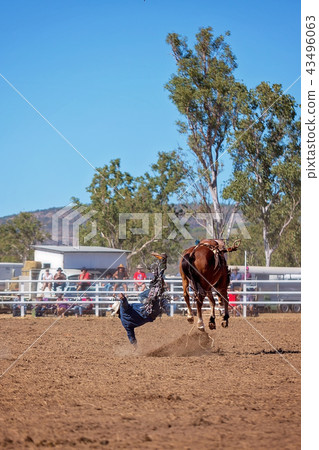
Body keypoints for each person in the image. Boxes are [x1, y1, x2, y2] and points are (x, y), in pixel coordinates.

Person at [114, 253, 170, 346]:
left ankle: (161, 299)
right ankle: (162, 262)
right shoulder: (123, 311)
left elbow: (131, 336)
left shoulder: (125, 324)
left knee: (156, 287)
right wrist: (123, 298)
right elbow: (124, 304)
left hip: (152, 315)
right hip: (148, 309)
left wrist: (135, 345)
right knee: (143, 294)